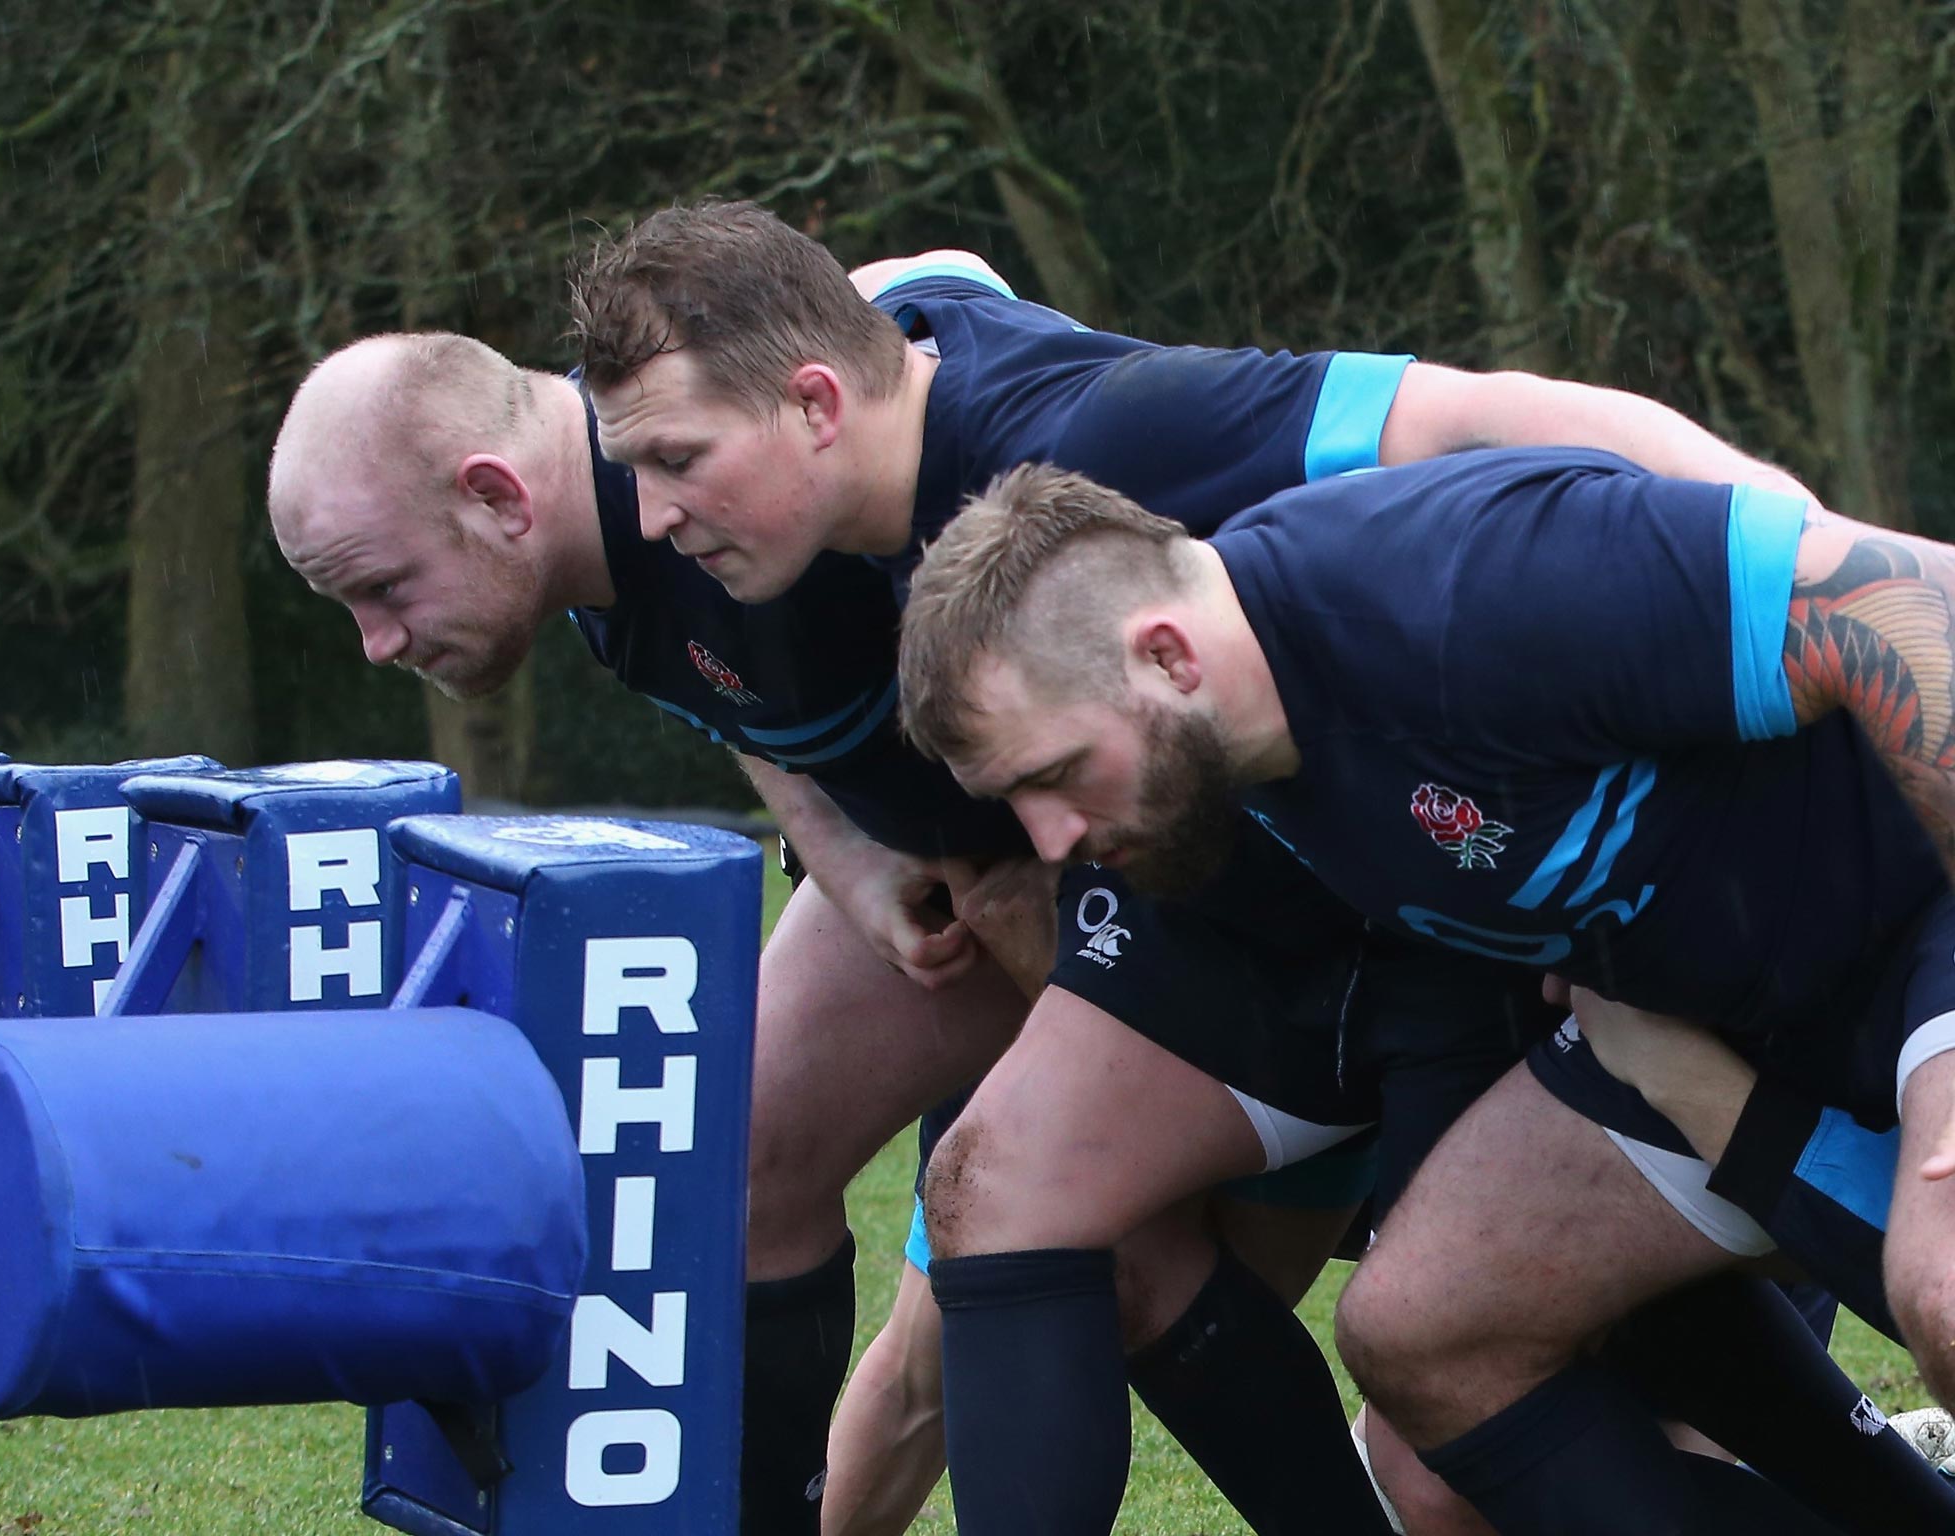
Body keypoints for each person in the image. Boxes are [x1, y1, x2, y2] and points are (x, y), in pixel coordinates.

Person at [568, 201, 1928, 1533]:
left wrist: (1764, 538)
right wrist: (845, 853)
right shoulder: (885, 576)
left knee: (1638, 1363)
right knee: (1111, 1225)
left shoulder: (1224, 489)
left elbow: (1499, 428)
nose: (653, 512)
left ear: (814, 403)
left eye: (678, 459)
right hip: (1476, 953)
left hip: (1718, 941)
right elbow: (932, 270)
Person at [266, 327, 1398, 1536]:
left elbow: (948, 328)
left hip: (1246, 895)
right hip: (985, 891)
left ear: (496, 496)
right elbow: (742, 703)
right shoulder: (606, 557)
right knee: (740, 1167)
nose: (376, 644)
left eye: (382, 589)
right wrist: (845, 851)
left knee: (1113, 1254)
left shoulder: (746, 462)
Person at [892, 452, 1955, 1533]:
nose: (1051, 839)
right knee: (1424, 1329)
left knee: (1945, 1281)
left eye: (1054, 775)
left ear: (1164, 656)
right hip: (1692, 1014)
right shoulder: (1225, 761)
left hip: (1918, 922)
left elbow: (1912, 599)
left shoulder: (1461, 582)